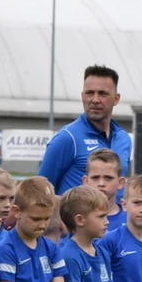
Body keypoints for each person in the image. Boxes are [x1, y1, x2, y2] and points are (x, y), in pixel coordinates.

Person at [39, 65, 133, 195]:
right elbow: (41, 193)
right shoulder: (67, 138)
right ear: (82, 96)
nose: (95, 100)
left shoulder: (124, 139)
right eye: (89, 93)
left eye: (103, 93)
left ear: (116, 99)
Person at [82, 149, 127, 233]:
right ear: (86, 181)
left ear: (120, 183)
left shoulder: (131, 220)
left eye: (108, 178)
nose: (101, 183)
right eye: (95, 178)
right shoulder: (78, 220)